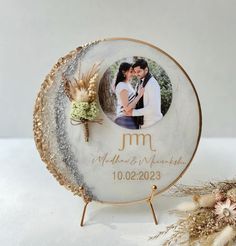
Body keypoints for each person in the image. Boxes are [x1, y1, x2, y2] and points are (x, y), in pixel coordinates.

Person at [125, 59, 163, 128]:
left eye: (139, 71)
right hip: (144, 123)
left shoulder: (152, 84)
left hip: (153, 123)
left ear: (146, 70)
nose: (136, 74)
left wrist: (133, 113)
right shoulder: (140, 82)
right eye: (135, 72)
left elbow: (153, 108)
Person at [114, 62, 145, 129]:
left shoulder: (127, 84)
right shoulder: (122, 85)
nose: (133, 74)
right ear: (124, 72)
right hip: (124, 119)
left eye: (133, 72)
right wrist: (139, 95)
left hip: (129, 117)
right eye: (131, 72)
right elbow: (127, 108)